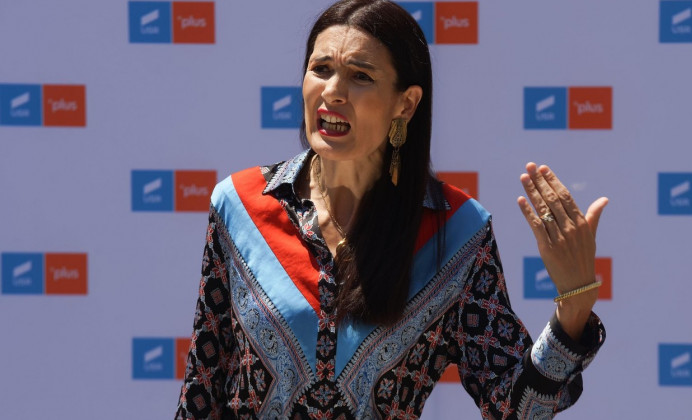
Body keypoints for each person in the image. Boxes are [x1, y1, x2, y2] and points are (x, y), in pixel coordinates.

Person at [175, 0, 607, 418]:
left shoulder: (456, 233)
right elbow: (201, 392)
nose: (333, 91)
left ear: (406, 104)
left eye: (360, 76)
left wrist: (572, 311)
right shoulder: (239, 204)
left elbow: (517, 409)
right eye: (320, 69)